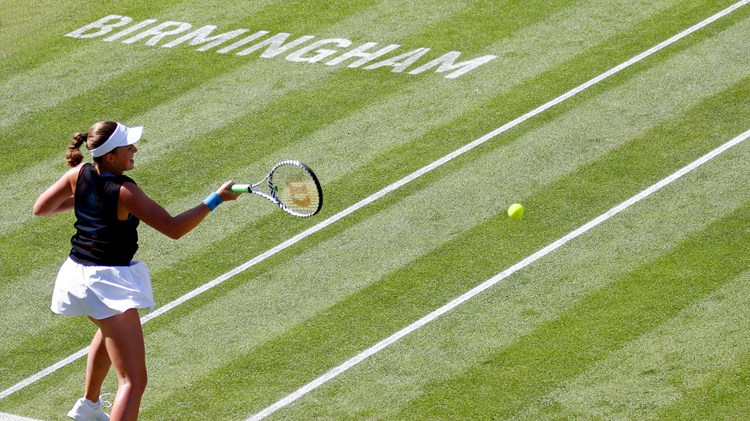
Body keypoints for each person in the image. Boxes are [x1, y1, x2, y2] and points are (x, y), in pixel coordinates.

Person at [33, 121, 238, 421]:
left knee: (109, 329)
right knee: (133, 381)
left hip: (76, 275)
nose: (135, 150)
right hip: (105, 284)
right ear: (111, 156)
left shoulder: (80, 174)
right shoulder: (124, 190)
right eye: (128, 146)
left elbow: (42, 208)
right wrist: (215, 199)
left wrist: (88, 198)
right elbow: (173, 228)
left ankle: (89, 407)